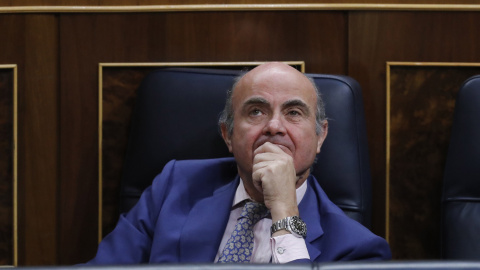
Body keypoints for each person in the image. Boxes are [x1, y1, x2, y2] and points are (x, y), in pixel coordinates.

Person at [86, 62, 391, 264]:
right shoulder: (174, 185)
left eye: (294, 113)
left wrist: (284, 212)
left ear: (320, 136)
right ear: (228, 135)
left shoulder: (357, 250)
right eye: (256, 111)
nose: (274, 126)